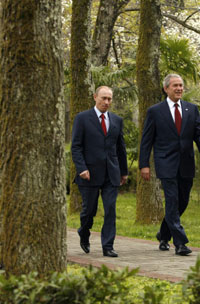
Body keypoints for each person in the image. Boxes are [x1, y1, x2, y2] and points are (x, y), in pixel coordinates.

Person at [139, 74, 200, 256]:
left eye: (181, 85)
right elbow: (147, 140)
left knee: (182, 201)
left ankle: (163, 234)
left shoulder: (191, 109)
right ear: (166, 89)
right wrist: (144, 164)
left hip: (186, 163)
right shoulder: (155, 111)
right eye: (175, 85)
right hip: (166, 163)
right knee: (172, 201)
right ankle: (180, 243)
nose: (179, 88)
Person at [71, 86, 128, 258]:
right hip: (89, 174)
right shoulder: (82, 118)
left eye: (109, 99)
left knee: (110, 209)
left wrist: (123, 172)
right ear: (95, 97)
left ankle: (108, 246)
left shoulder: (117, 120)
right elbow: (76, 146)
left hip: (112, 173)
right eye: (103, 98)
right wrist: (81, 168)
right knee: (89, 210)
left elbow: (121, 148)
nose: (106, 102)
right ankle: (84, 232)